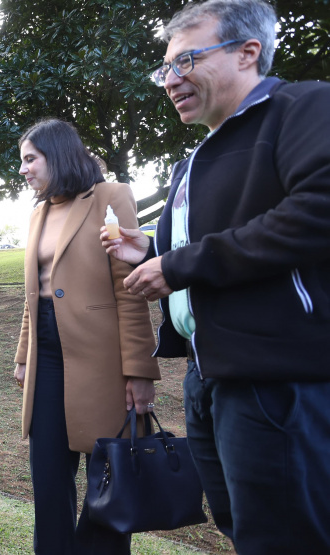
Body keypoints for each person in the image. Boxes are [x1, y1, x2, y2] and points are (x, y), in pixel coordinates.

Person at [102, 1, 330, 552]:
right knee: (242, 527)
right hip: (209, 376)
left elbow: (316, 212)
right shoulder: (196, 157)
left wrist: (178, 264)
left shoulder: (303, 108)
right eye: (165, 69)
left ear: (247, 52)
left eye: (187, 62)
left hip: (278, 377)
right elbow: (214, 239)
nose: (170, 81)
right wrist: (151, 247)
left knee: (284, 537)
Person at [13, 118, 160, 554]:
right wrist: (24, 355)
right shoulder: (38, 212)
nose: (23, 169)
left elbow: (129, 289)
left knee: (108, 484)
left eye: (30, 159)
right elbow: (32, 294)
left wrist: (138, 370)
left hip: (102, 364)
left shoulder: (111, 197)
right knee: (49, 481)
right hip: (47, 362)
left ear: (56, 154)